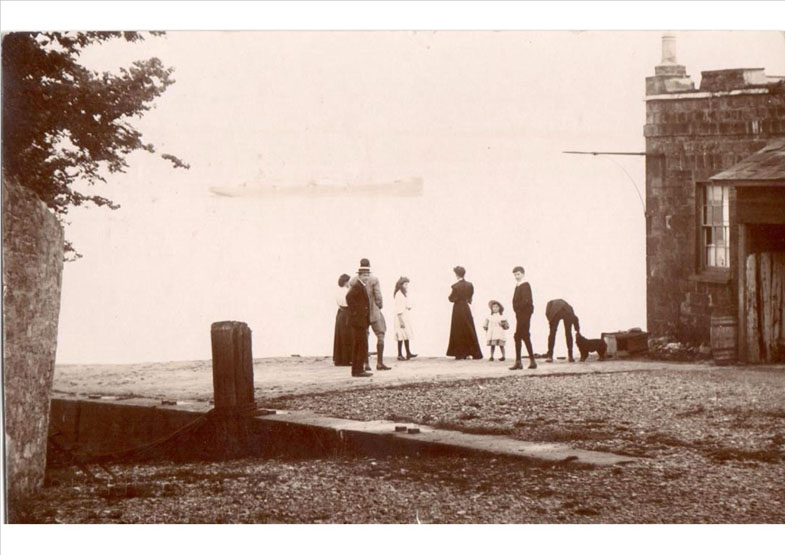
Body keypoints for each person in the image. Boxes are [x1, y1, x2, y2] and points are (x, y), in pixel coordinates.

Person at [348, 258, 391, 370]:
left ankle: (366, 363)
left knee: (364, 337)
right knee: (380, 334)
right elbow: (378, 295)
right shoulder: (374, 279)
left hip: (362, 314)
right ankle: (379, 363)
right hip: (374, 312)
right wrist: (379, 305)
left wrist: (356, 311)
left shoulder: (353, 280)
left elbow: (350, 297)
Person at [446, 266, 483, 360]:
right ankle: (474, 352)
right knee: (469, 328)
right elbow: (470, 296)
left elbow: (451, 298)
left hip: (458, 308)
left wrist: (456, 299)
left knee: (458, 329)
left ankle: (460, 353)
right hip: (466, 308)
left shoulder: (455, 286)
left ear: (457, 275)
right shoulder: (470, 285)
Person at [346, 266, 373, 377]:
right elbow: (349, 297)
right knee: (360, 346)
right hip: (358, 321)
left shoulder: (361, 285)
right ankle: (358, 370)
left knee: (359, 345)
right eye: (365, 275)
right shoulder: (358, 286)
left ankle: (357, 369)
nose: (367, 277)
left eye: (368, 275)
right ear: (360, 275)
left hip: (360, 321)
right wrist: (356, 312)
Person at [509, 266, 537, 370]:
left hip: (524, 315)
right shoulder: (518, 285)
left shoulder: (525, 285)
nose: (516, 276)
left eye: (518, 274)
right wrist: (517, 311)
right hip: (520, 314)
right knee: (525, 336)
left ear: (523, 274)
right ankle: (531, 361)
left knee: (517, 336)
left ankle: (519, 362)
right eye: (515, 274)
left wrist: (519, 311)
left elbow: (526, 301)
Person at [544, 298, 580, 363]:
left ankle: (550, 355)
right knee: (568, 332)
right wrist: (577, 329)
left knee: (552, 333)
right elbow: (575, 318)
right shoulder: (568, 307)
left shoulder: (550, 305)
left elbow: (547, 315)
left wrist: (551, 324)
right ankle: (570, 356)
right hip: (567, 311)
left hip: (560, 311)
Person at [393, 276, 418, 361]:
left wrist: (408, 306)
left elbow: (405, 304)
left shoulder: (403, 294)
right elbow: (398, 309)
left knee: (406, 334)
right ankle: (399, 354)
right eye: (405, 284)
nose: (407, 286)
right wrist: (401, 321)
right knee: (400, 335)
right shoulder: (398, 294)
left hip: (405, 316)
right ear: (401, 285)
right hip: (401, 317)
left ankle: (408, 353)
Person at [332, 273, 352, 366]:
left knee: (340, 335)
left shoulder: (338, 291)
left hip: (340, 313)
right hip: (347, 313)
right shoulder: (346, 291)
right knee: (347, 335)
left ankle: (339, 358)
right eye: (348, 281)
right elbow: (348, 303)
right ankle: (346, 359)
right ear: (345, 282)